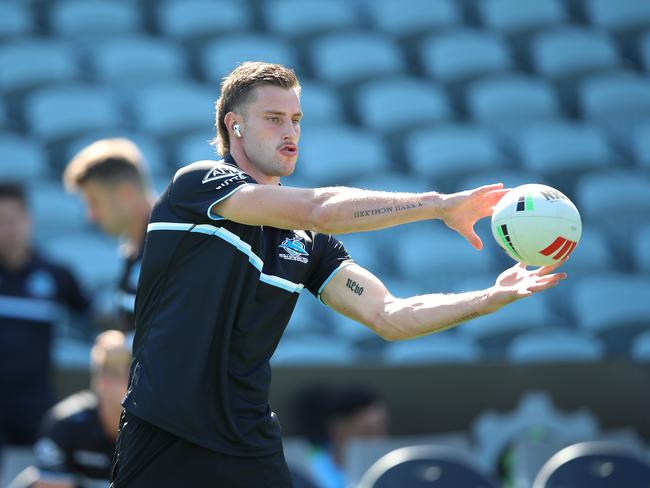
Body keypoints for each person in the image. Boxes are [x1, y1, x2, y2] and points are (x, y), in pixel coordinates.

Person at [110, 61, 566, 487]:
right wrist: (438, 205)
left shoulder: (309, 243)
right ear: (235, 125)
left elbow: (391, 315)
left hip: (249, 443)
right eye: (274, 118)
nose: (290, 132)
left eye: (296, 119)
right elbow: (320, 208)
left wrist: (492, 296)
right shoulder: (201, 184)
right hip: (165, 428)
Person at [0, 183, 91, 457]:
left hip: (35, 402)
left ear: (28, 220)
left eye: (11, 220)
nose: (6, 230)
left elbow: (91, 318)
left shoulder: (56, 275)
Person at [63, 139, 154, 334]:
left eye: (94, 202)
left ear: (126, 194)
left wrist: (124, 348)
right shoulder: (133, 248)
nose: (90, 215)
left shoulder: (175, 245)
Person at [27, 330, 131, 488]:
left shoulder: (154, 431)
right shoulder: (64, 425)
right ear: (102, 381)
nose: (135, 385)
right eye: (127, 376)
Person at [291, 385, 388, 488]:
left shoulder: (387, 468)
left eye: (381, 429)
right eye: (367, 431)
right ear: (336, 429)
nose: (376, 440)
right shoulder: (309, 466)